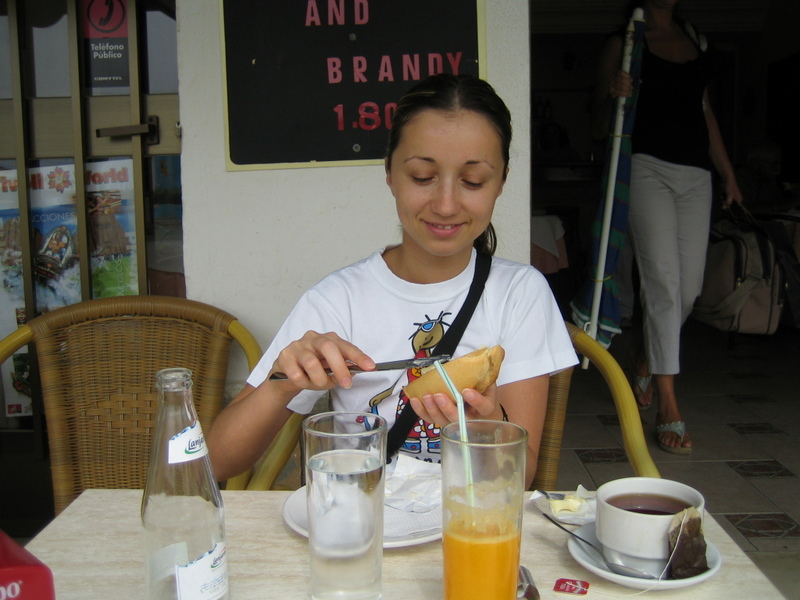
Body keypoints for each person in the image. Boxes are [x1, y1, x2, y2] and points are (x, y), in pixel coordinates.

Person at [207, 73, 578, 488]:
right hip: (362, 516)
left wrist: (484, 424)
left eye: (473, 181)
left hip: (466, 519)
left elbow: (521, 477)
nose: (446, 204)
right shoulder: (338, 299)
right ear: (389, 173)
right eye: (422, 176)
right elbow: (217, 461)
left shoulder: (520, 294)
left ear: (501, 182)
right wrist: (280, 386)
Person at [593, 0, 743, 454]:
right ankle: (668, 403)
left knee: (689, 289)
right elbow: (598, 115)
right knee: (662, 280)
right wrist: (615, 93)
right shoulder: (626, 42)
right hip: (646, 166)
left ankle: (644, 355)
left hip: (695, 174)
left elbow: (705, 112)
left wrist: (728, 174)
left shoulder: (695, 40)